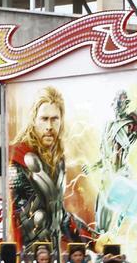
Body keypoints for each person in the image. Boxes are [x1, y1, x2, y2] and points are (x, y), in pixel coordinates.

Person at [9, 86, 89, 251]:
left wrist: (92, 240)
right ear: (34, 120)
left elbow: (58, 213)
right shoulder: (19, 157)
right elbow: (25, 217)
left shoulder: (57, 159)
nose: (49, 126)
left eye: (55, 119)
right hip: (26, 255)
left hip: (51, 254)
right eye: (44, 119)